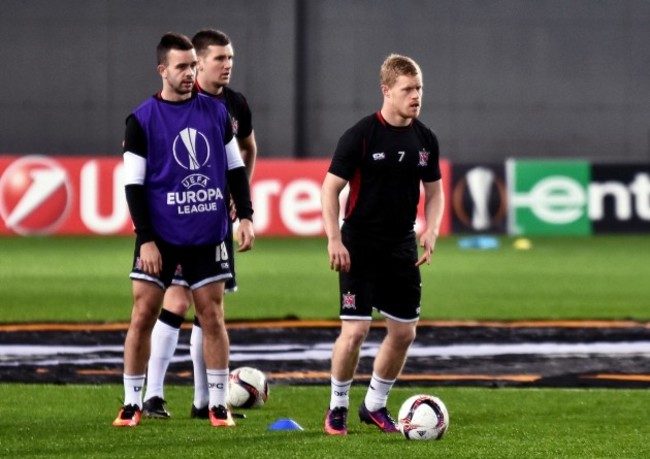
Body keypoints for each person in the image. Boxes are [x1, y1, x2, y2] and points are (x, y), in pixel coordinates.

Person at [113, 32, 254, 428]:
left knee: (212, 316)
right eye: (182, 66)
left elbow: (234, 167)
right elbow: (134, 186)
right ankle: (132, 402)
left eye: (193, 65)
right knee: (143, 314)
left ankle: (217, 405)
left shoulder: (216, 112)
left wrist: (245, 215)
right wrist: (146, 239)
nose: (190, 72)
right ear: (162, 70)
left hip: (208, 233)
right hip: (161, 236)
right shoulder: (141, 120)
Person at [320, 54, 444, 435]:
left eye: (419, 88)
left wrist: (431, 229)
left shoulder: (425, 139)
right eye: (408, 89)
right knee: (355, 332)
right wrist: (334, 238)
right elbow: (330, 189)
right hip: (359, 245)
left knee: (405, 333)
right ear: (386, 91)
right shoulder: (360, 135)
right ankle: (337, 406)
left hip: (401, 246)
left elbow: (434, 192)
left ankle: (374, 405)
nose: (416, 96)